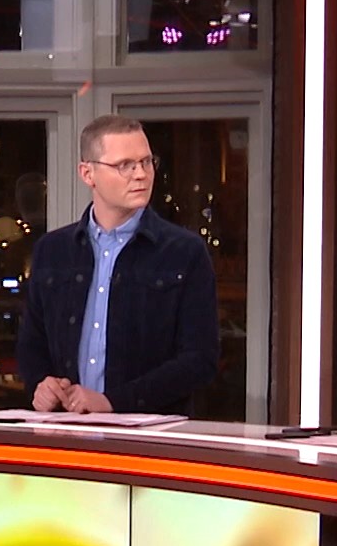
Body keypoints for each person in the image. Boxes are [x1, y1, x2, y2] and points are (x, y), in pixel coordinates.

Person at [16, 114, 218, 415]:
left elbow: (200, 360)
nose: (141, 175)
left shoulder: (184, 252)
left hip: (149, 435)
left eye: (147, 162)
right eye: (125, 165)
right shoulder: (52, 251)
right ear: (88, 174)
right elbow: (31, 345)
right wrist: (41, 385)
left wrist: (113, 402)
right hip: (64, 430)